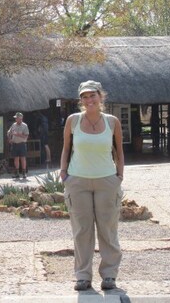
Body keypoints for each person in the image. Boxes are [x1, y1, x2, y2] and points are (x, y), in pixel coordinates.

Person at [59, 80, 124, 291]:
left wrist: (119, 176)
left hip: (107, 180)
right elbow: (66, 148)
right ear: (80, 100)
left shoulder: (112, 121)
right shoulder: (73, 120)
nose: (89, 100)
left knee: (107, 228)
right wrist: (64, 173)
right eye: (85, 97)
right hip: (77, 180)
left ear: (100, 96)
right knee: (82, 229)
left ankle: (109, 275)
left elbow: (119, 150)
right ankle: (83, 276)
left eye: (92, 95)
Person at [7, 112, 29, 179]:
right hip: (14, 144)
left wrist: (18, 134)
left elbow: (26, 136)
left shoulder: (24, 126)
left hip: (22, 144)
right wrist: (9, 139)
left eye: (17, 118)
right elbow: (9, 132)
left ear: (20, 118)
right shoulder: (13, 125)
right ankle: (16, 173)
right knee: (16, 158)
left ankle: (24, 173)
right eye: (15, 118)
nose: (16, 119)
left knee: (23, 158)